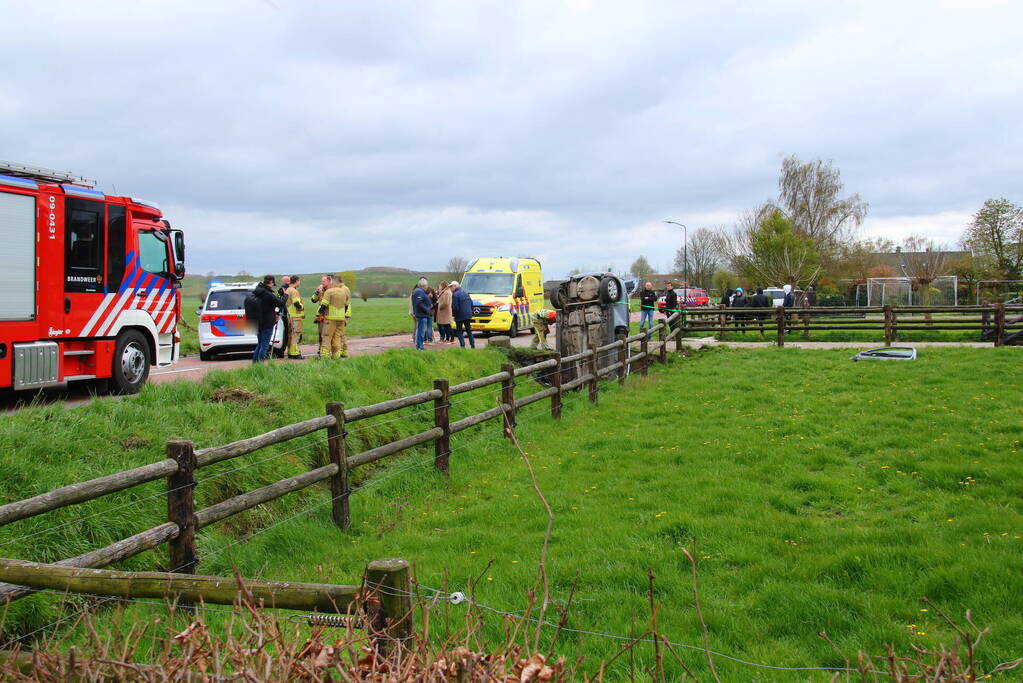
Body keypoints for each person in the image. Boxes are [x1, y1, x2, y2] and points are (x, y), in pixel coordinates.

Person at [252, 274, 286, 363]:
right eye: (272, 283)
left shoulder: (258, 291)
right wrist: (285, 295)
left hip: (258, 322)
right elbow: (280, 303)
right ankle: (260, 364)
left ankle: (255, 364)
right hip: (267, 322)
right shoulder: (267, 294)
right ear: (270, 282)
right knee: (264, 345)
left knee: (260, 344)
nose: (272, 285)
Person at [317, 275, 352, 359]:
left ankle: (324, 355)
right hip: (341, 318)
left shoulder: (329, 291)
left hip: (330, 318)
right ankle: (336, 355)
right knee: (337, 337)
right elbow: (347, 305)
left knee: (326, 336)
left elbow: (324, 305)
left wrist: (318, 313)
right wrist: (343, 314)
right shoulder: (344, 291)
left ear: (331, 282)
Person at [450, 280, 475, 348]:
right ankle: (472, 345)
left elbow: (455, 307)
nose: (451, 288)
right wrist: (470, 312)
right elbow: (471, 304)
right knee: (469, 331)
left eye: (451, 286)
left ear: (455, 286)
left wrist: (453, 315)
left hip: (459, 316)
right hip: (468, 315)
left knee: (459, 331)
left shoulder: (455, 295)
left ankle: (462, 345)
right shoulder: (466, 293)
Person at [284, 275, 304, 359]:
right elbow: (296, 303)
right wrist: (302, 307)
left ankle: (290, 351)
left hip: (289, 315)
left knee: (290, 334)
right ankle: (294, 353)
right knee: (295, 334)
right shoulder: (294, 291)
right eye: (299, 281)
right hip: (295, 316)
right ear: (297, 281)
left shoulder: (288, 290)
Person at [411, 277, 432, 351]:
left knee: (420, 331)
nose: (427, 287)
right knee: (421, 332)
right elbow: (419, 303)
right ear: (423, 285)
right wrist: (427, 310)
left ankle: (419, 346)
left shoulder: (418, 291)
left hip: (421, 314)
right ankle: (420, 347)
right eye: (426, 285)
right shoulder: (419, 292)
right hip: (422, 315)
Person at [311, 274, 331, 349]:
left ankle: (328, 349)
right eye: (321, 281)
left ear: (329, 281)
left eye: (324, 281)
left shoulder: (332, 290)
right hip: (321, 316)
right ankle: (321, 349)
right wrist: (316, 292)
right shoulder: (320, 290)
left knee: (328, 334)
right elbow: (313, 300)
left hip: (330, 315)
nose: (322, 283)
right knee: (321, 333)